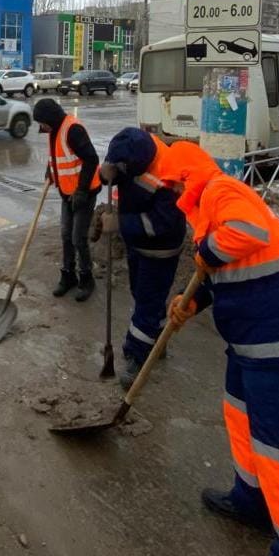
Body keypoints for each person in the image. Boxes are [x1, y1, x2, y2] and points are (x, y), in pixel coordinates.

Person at [166, 141, 279, 556]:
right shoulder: (207, 203)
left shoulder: (221, 191)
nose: (174, 192)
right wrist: (191, 299)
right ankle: (250, 499)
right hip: (249, 344)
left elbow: (247, 232)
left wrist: (206, 255)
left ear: (187, 177)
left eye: (176, 184)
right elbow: (226, 272)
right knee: (237, 415)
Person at [96, 127, 186, 389]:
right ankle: (158, 339)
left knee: (146, 301)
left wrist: (121, 224)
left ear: (139, 162)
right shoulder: (131, 148)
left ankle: (137, 356)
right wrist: (106, 173)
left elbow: (162, 224)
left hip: (161, 248)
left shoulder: (168, 174)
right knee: (142, 294)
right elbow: (116, 170)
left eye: (124, 167)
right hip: (137, 244)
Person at [33, 98, 101, 302]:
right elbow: (57, 155)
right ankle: (68, 276)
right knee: (65, 235)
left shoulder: (73, 129)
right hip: (67, 193)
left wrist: (81, 191)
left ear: (50, 118)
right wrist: (50, 169)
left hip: (84, 193)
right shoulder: (53, 130)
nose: (41, 127)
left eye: (41, 122)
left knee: (78, 238)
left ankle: (87, 279)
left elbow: (91, 159)